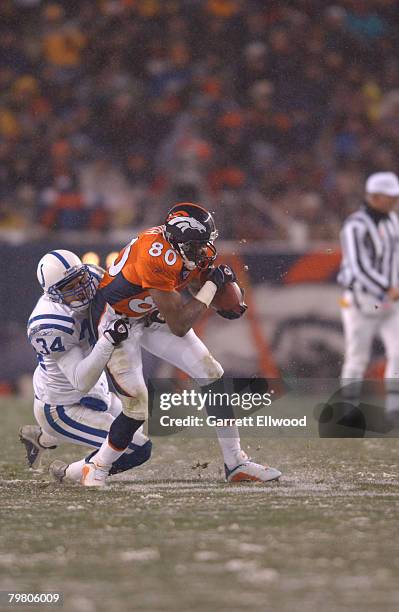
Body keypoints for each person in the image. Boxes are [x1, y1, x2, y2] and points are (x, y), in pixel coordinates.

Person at [67, 202, 281, 486]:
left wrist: (221, 301)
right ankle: (96, 466)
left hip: (151, 313)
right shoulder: (155, 256)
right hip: (117, 322)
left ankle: (236, 463)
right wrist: (212, 287)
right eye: (198, 245)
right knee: (137, 406)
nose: (204, 251)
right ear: (181, 243)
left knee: (211, 374)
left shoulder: (183, 248)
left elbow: (189, 283)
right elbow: (180, 325)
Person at [20, 249, 152, 482]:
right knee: (137, 448)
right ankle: (69, 472)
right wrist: (108, 340)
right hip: (62, 406)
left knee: (135, 425)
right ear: (53, 294)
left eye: (80, 280)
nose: (80, 289)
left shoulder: (93, 274)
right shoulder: (49, 322)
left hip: (95, 386)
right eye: (68, 287)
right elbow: (80, 381)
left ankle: (42, 439)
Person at [338, 172, 399, 423]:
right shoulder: (355, 225)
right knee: (357, 357)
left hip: (391, 301)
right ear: (374, 197)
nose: (394, 201)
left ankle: (395, 407)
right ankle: (347, 408)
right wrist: (388, 286)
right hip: (361, 300)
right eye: (390, 196)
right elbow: (358, 266)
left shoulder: (393, 220)